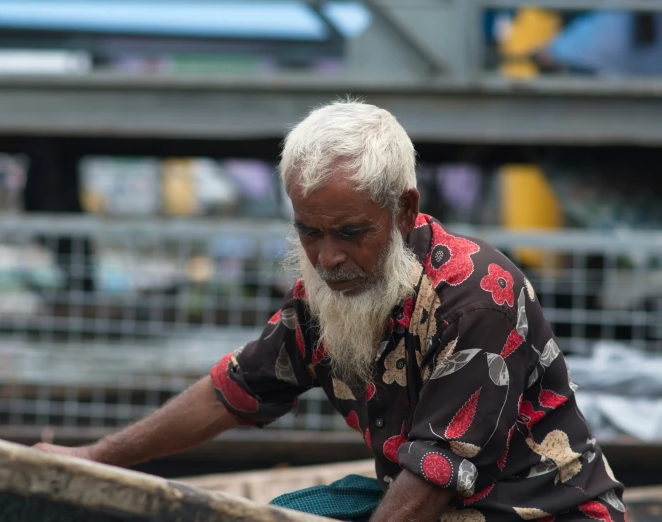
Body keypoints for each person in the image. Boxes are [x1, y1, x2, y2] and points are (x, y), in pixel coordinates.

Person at [35, 101, 625, 522]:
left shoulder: (476, 296)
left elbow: (435, 475)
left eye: (349, 232)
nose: (327, 257)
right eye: (309, 233)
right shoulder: (323, 296)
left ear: (402, 211)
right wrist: (93, 459)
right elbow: (232, 392)